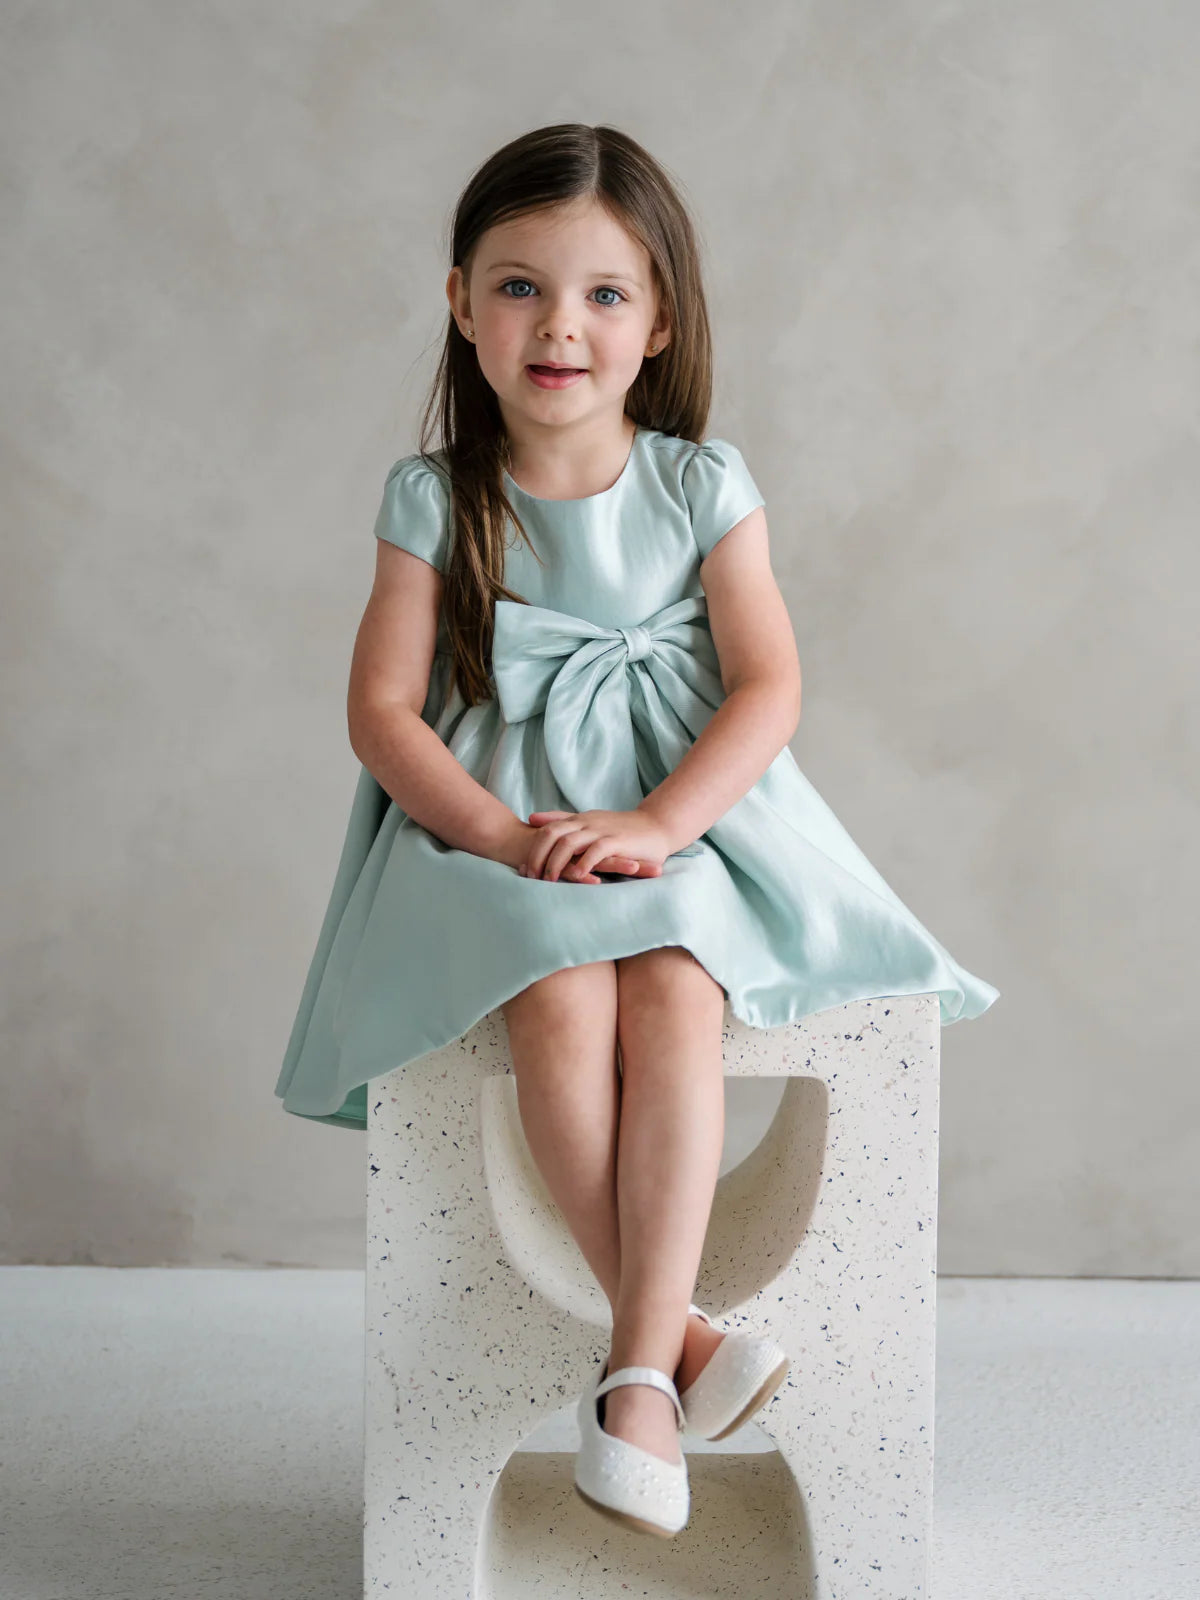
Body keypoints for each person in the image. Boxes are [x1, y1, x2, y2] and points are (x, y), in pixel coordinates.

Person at [274, 122, 999, 1536]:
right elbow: (383, 713)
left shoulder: (700, 484)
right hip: (498, 833)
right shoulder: (436, 497)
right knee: (558, 992)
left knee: (671, 990)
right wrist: (503, 837)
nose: (561, 325)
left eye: (605, 293)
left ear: (659, 321)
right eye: (520, 286)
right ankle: (670, 1359)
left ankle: (637, 1375)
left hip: (683, 828)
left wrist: (661, 823)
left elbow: (769, 684)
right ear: (461, 303)